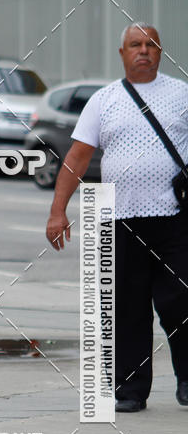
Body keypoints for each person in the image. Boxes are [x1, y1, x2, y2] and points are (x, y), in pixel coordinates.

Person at [46, 23, 188, 413]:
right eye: (135, 45)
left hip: (175, 219)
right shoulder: (104, 100)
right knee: (126, 308)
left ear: (160, 52)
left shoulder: (182, 94)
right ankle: (130, 390)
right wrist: (58, 211)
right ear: (122, 52)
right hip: (120, 220)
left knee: (181, 301)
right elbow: (76, 157)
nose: (143, 50)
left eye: (151, 45)